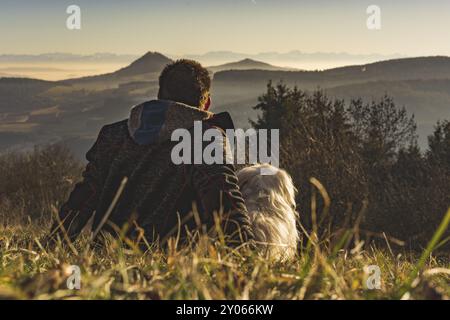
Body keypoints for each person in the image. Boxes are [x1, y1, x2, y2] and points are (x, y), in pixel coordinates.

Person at [47, 59, 254, 246]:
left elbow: (83, 198)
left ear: (159, 97)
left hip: (108, 252)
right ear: (206, 102)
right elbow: (223, 201)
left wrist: (53, 242)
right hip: (171, 262)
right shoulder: (205, 138)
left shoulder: (114, 134)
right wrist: (246, 250)